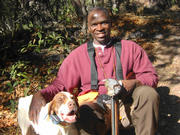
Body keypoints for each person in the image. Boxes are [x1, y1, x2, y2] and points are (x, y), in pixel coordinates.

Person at [29, 7, 159, 135]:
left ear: (111, 24)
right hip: (98, 110)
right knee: (83, 111)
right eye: (94, 24)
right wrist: (40, 94)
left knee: (148, 93)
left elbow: (151, 77)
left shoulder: (131, 48)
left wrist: (134, 83)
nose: (100, 28)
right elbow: (60, 85)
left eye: (104, 23)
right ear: (89, 28)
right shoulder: (77, 56)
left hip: (126, 106)